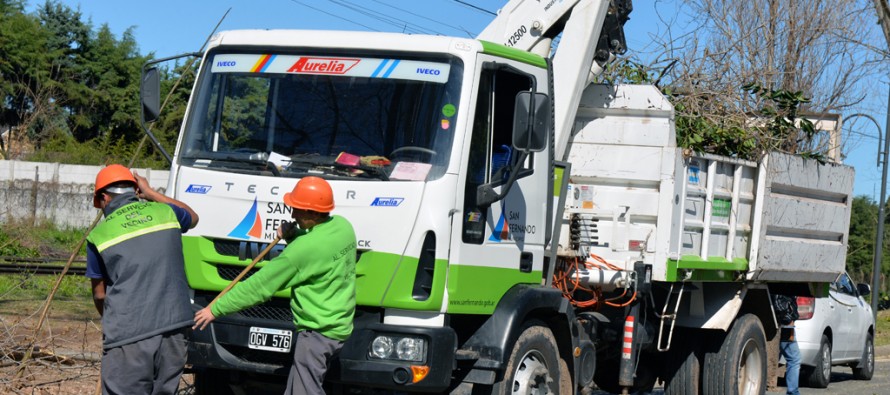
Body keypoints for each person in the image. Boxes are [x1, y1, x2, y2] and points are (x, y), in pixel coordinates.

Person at [193, 176, 357, 394]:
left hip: (317, 333)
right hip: (338, 326)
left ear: (312, 213)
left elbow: (258, 287)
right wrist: (295, 234)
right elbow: (319, 252)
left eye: (297, 209)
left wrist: (215, 309)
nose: (292, 214)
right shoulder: (343, 227)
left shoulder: (300, 252)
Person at [85, 164, 199, 395]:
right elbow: (194, 218)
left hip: (129, 335)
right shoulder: (166, 213)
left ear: (104, 198)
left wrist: (113, 323)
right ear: (136, 191)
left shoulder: (99, 235)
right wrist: (152, 193)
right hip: (175, 329)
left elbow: (100, 294)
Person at [773, 293, 801, 395]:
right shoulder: (783, 284)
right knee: (794, 358)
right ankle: (793, 392)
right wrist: (788, 319)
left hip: (786, 326)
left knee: (776, 358)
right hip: (786, 326)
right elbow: (778, 301)